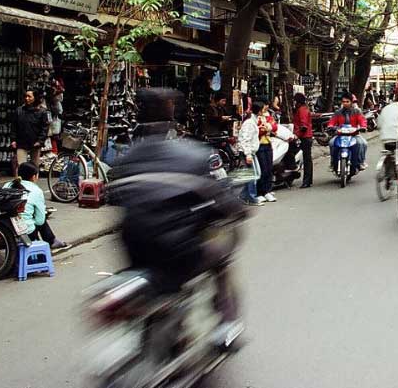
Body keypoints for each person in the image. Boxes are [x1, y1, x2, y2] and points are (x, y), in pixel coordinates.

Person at [110, 88, 246, 345]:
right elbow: (220, 198)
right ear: (173, 115)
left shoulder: (125, 159)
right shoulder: (193, 154)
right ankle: (226, 323)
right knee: (222, 259)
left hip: (134, 249)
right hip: (180, 249)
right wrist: (236, 210)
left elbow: (113, 199)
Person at [5, 162, 69, 252]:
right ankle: (51, 240)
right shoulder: (36, 190)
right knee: (40, 217)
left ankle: (51, 240)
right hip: (24, 232)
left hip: (6, 229)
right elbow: (40, 221)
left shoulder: (7, 185)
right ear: (34, 177)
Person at [328, 93, 367, 174]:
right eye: (343, 101)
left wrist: (363, 127)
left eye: (347, 101)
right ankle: (332, 163)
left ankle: (361, 162)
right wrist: (331, 126)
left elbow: (362, 121)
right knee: (331, 143)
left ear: (351, 102)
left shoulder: (357, 111)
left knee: (362, 143)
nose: (345, 103)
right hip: (340, 135)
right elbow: (332, 121)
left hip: (354, 134)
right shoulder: (338, 112)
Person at [12, 90, 48, 172]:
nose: (27, 98)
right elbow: (14, 126)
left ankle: (32, 183)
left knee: (34, 166)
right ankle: (20, 183)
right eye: (25, 96)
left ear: (35, 98)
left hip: (35, 142)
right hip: (21, 141)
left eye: (29, 96)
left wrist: (40, 141)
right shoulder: (19, 110)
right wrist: (13, 139)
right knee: (20, 165)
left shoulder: (42, 111)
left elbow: (45, 128)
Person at [237, 107, 265, 206]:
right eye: (263, 108)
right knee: (253, 175)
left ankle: (244, 195)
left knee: (256, 174)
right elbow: (245, 139)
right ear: (259, 110)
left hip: (251, 152)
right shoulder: (249, 123)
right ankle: (251, 197)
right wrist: (248, 154)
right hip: (247, 152)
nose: (265, 110)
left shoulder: (254, 121)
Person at [254, 101, 278, 202]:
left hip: (268, 143)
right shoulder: (254, 118)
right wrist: (267, 129)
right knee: (262, 169)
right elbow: (258, 131)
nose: (266, 108)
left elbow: (274, 127)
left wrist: (267, 128)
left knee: (269, 168)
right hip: (259, 145)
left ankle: (267, 191)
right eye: (265, 106)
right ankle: (260, 191)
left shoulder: (268, 117)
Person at [292, 93, 314, 189]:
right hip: (305, 136)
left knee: (307, 159)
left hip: (304, 137)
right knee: (307, 159)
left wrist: (296, 136)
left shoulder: (302, 110)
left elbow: (303, 126)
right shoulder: (304, 109)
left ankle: (307, 181)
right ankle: (308, 180)